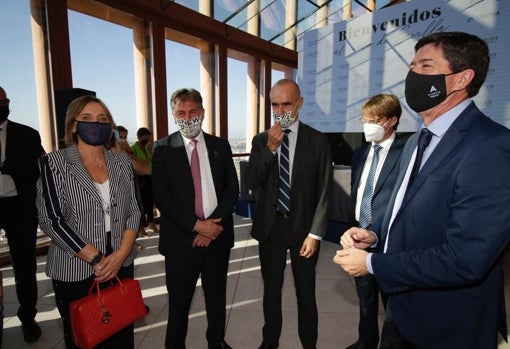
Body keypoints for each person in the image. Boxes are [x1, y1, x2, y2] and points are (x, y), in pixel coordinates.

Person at [334, 31, 510, 349]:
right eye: (412, 65)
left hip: (450, 322)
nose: (412, 74)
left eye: (425, 66)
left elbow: (466, 258)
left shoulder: (490, 146)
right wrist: (374, 235)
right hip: (402, 309)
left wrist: (372, 263)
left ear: (461, 79)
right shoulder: (418, 139)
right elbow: (405, 208)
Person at [36, 95, 142, 348]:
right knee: (86, 336)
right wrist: (97, 259)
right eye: (87, 118)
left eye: (102, 119)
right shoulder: (54, 163)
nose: (96, 124)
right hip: (76, 263)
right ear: (73, 125)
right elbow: (52, 220)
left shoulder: (121, 162)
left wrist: (121, 254)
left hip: (120, 259)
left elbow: (135, 210)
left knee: (122, 332)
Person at [245, 78, 332, 349]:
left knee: (306, 294)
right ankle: (269, 342)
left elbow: (325, 190)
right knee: (271, 293)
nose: (280, 110)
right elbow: (250, 181)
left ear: (299, 103)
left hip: (304, 231)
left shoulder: (317, 140)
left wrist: (315, 233)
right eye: (274, 104)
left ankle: (309, 344)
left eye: (286, 103)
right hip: (271, 228)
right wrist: (270, 149)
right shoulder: (261, 140)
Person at [151, 88, 239, 349]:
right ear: (173, 115)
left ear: (202, 112)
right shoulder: (162, 148)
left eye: (192, 112)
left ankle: (216, 342)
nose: (187, 117)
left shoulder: (220, 145)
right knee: (179, 303)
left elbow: (231, 190)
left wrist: (213, 226)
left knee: (216, 298)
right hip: (181, 242)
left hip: (217, 238)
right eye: (181, 113)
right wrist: (197, 226)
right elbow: (161, 197)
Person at [346, 94, 404, 349]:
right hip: (360, 239)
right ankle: (366, 342)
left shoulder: (407, 153)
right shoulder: (359, 153)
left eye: (375, 120)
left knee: (394, 305)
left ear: (392, 121)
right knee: (365, 300)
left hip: (391, 241)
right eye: (364, 120)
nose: (368, 125)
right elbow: (358, 193)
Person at [0, 86, 45, 342]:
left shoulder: (26, 134)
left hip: (20, 208)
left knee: (25, 267)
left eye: (2, 101)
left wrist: (8, 166)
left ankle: (28, 318)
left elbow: (40, 169)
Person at [132, 127, 158, 235]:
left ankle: (151, 223)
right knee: (141, 203)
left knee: (150, 202)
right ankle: (141, 227)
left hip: (149, 177)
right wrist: (149, 159)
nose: (147, 140)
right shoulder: (133, 148)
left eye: (148, 138)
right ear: (139, 137)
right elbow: (136, 163)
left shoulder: (146, 148)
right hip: (140, 178)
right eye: (145, 138)